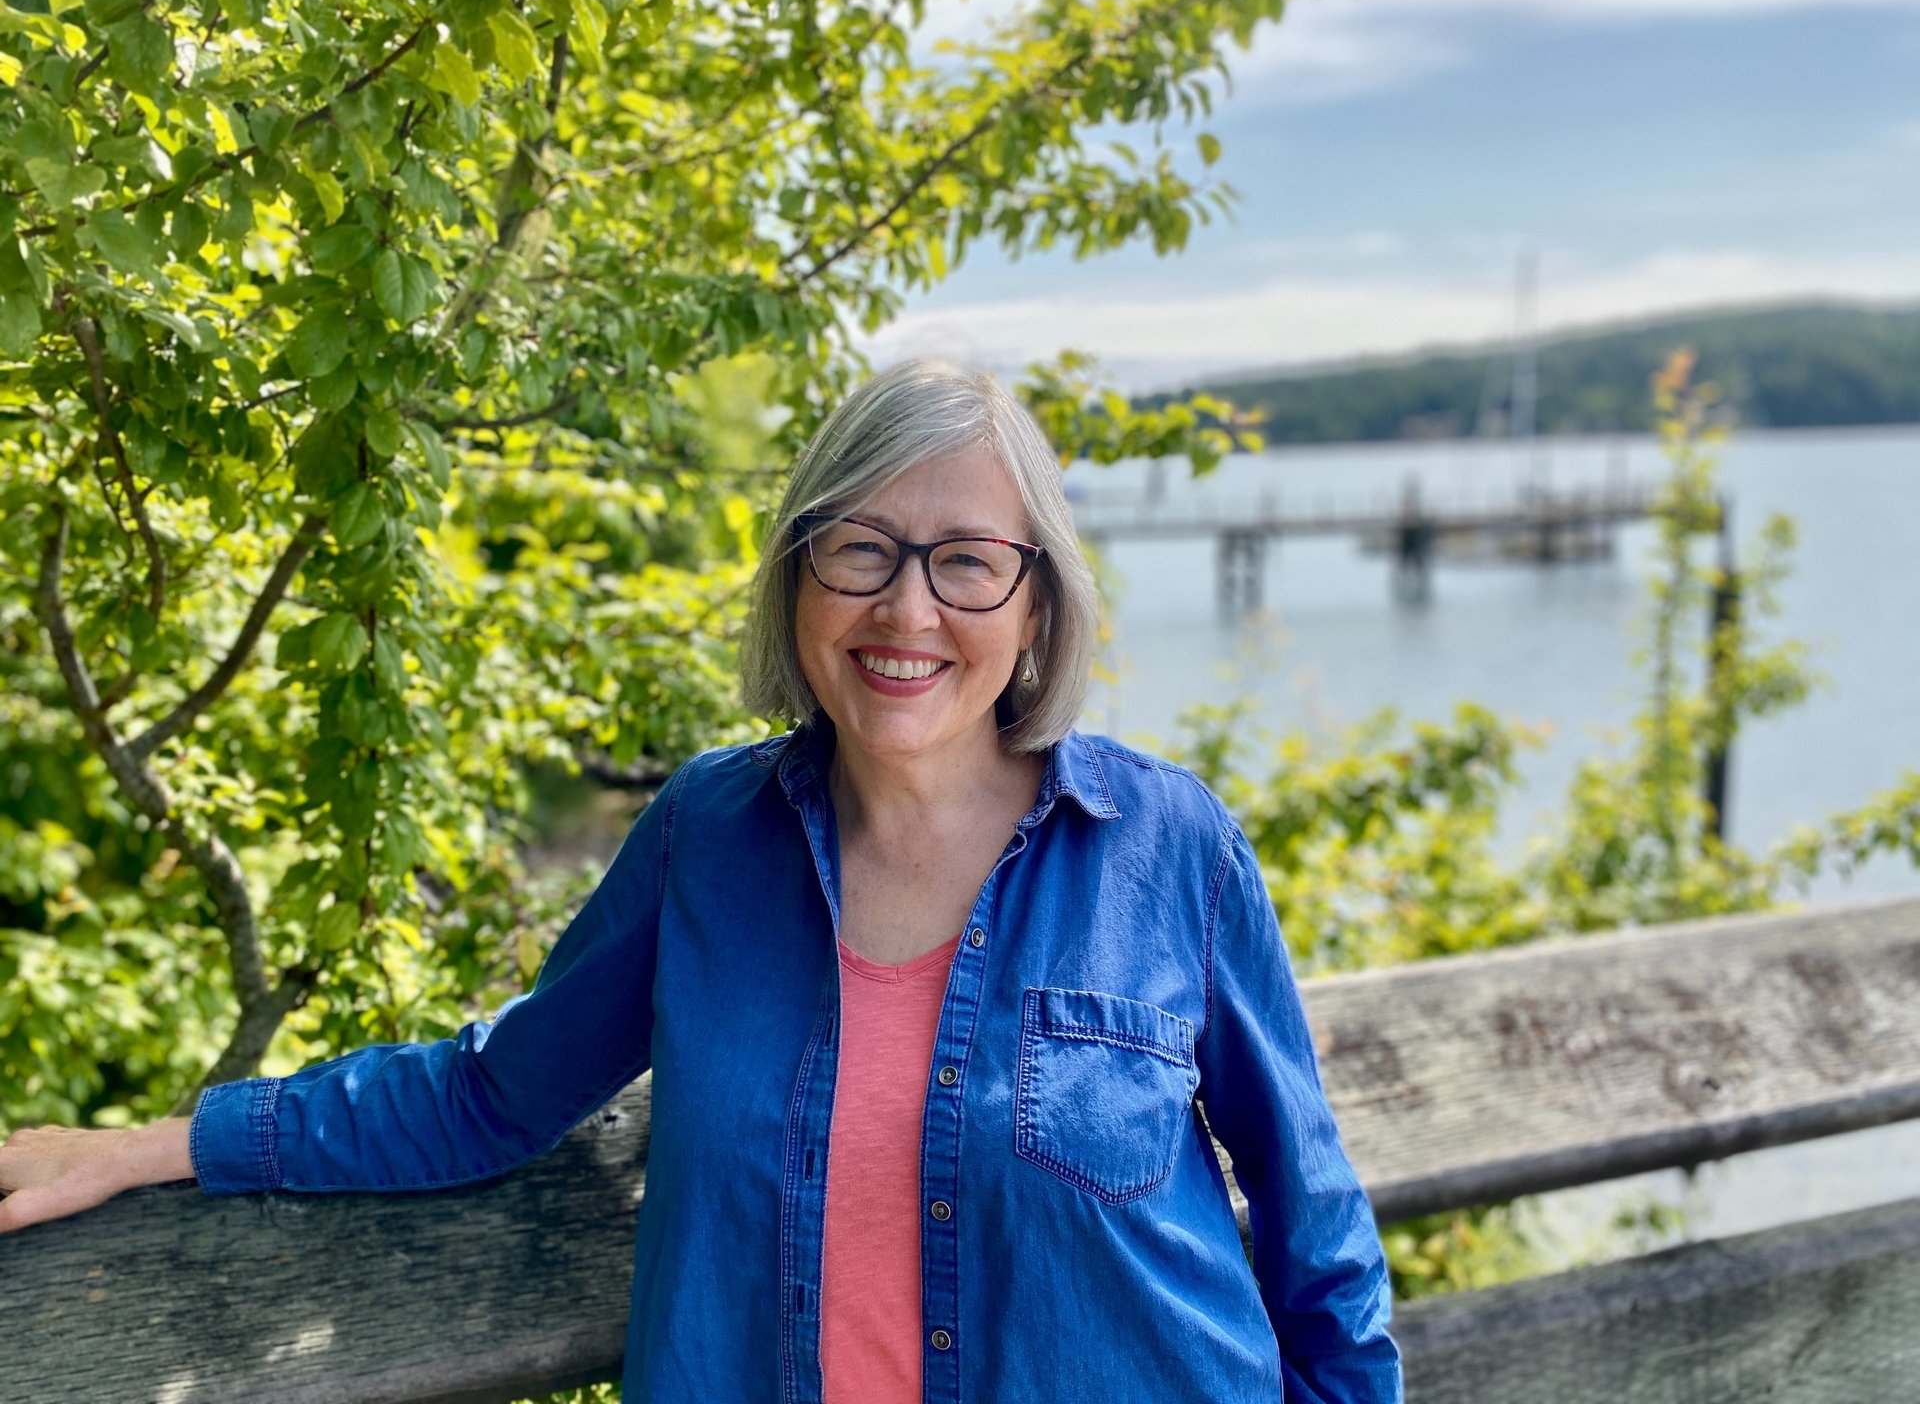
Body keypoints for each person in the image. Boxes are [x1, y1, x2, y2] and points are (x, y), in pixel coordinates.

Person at [0, 358, 1402, 1402]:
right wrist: (150, 1146)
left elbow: (1317, 1241)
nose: (908, 609)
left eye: (969, 562)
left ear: (1037, 606)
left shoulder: (1168, 849)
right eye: (862, 549)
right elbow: (492, 1094)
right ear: (798, 581)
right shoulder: (706, 841)